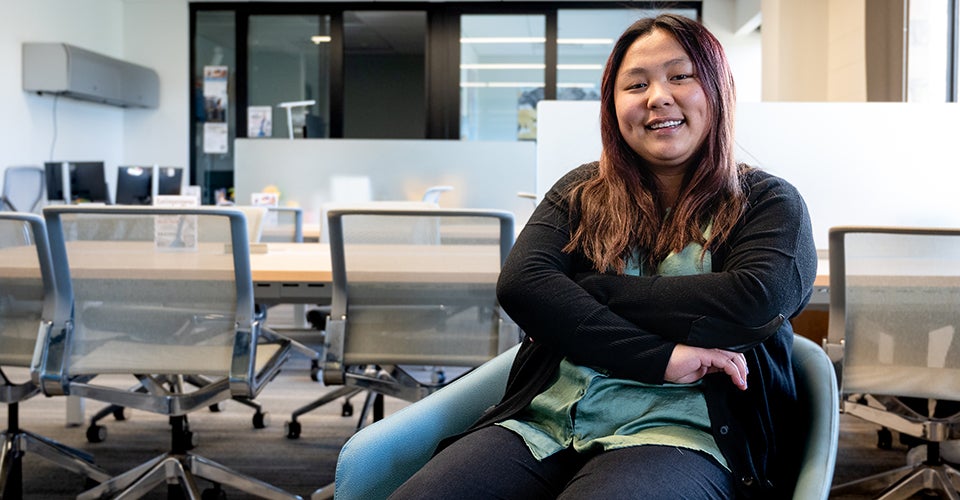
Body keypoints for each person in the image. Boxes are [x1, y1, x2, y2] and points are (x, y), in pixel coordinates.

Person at [389, 13, 816, 500]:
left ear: (718, 90)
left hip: (681, 434)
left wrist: (588, 288)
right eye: (636, 84)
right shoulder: (581, 192)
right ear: (613, 105)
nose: (658, 97)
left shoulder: (767, 202)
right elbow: (523, 286)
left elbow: (753, 300)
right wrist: (662, 358)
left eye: (680, 76)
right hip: (546, 422)